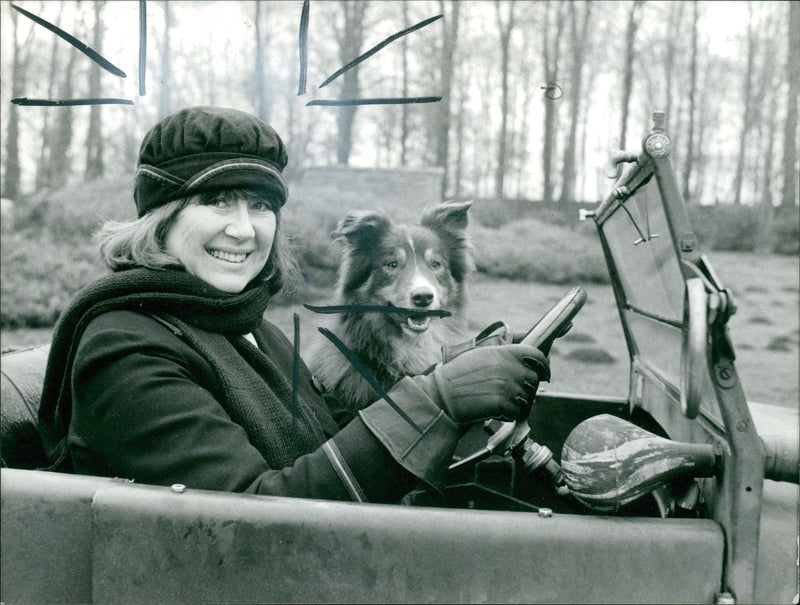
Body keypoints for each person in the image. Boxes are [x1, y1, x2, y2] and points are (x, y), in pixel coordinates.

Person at [37, 106, 549, 503]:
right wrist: (436, 399)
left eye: (260, 205)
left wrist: (446, 371)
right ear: (161, 219)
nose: (243, 229)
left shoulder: (247, 328)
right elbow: (251, 516)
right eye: (217, 202)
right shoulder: (127, 348)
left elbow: (327, 433)